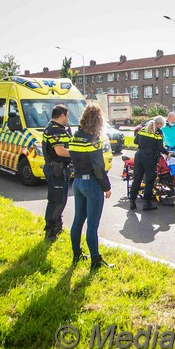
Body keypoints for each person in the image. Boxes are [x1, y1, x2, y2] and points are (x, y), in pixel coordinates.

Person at [69, 103, 113, 271]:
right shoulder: (93, 139)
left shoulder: (74, 137)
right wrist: (106, 187)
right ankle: (95, 260)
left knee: (78, 221)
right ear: (98, 120)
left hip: (77, 182)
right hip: (91, 184)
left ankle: (76, 253)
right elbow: (98, 167)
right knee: (92, 224)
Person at [42, 104, 72, 241]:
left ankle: (57, 227)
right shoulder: (56, 130)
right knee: (56, 201)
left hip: (57, 169)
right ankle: (51, 232)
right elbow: (60, 151)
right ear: (62, 116)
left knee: (60, 199)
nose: (68, 118)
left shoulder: (55, 128)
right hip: (56, 169)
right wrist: (76, 153)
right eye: (67, 115)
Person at [129, 115, 171, 211]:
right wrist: (167, 153)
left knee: (137, 179)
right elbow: (160, 147)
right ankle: (147, 203)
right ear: (159, 124)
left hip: (139, 155)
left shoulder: (143, 129)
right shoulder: (158, 132)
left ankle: (132, 201)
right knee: (149, 180)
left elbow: (135, 141)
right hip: (149, 157)